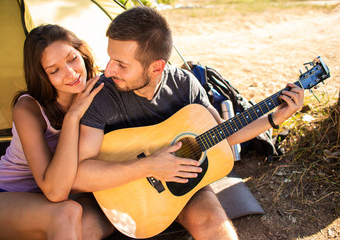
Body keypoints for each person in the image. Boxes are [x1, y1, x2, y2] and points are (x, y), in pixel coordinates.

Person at [73, 6, 304, 240]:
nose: (109, 70)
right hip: (118, 198)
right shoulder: (102, 95)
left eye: (121, 64)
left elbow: (223, 133)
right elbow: (80, 174)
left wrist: (274, 118)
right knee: (81, 228)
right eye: (110, 58)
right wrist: (149, 166)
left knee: (213, 220)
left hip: (181, 192)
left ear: (156, 67)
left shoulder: (184, 84)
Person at [0, 24, 113, 239]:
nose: (71, 73)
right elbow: (55, 192)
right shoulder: (28, 109)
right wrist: (72, 117)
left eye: (72, 59)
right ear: (43, 76)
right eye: (54, 70)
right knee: (66, 212)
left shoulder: (101, 90)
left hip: (61, 199)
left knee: (101, 220)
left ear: (82, 53)